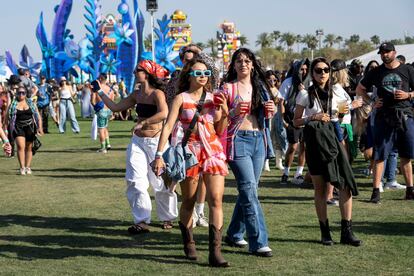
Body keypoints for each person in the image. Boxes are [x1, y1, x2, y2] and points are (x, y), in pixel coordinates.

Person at [153, 58, 229, 267]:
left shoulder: (215, 98)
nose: (203, 76)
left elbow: (220, 129)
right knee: (189, 200)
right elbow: (168, 126)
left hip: (212, 151)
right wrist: (159, 155)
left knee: (216, 199)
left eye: (206, 73)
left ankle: (215, 251)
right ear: (189, 76)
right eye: (198, 73)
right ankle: (188, 241)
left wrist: (224, 110)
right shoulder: (180, 98)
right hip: (189, 153)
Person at [95, 60, 178, 232]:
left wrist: (144, 122)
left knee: (160, 182)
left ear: (146, 73)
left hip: (156, 142)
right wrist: (99, 92)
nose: (134, 72)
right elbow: (116, 107)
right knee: (135, 181)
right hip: (138, 142)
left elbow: (164, 113)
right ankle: (142, 221)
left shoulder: (157, 93)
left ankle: (167, 217)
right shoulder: (137, 93)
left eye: (137, 70)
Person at [293, 57, 362, 247]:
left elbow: (340, 117)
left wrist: (343, 112)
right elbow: (295, 121)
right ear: (312, 73)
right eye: (318, 70)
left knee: (345, 184)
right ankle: (325, 231)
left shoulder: (338, 91)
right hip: (315, 143)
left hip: (335, 140)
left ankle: (347, 231)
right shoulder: (306, 94)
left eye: (325, 70)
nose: (322, 73)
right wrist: (312, 117)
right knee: (321, 189)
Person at [220, 48, 275, 257]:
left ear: (253, 64)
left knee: (249, 190)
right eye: (239, 61)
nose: (243, 64)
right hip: (238, 140)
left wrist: (271, 111)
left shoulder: (261, 87)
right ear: (234, 65)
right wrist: (233, 112)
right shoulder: (227, 88)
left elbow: (273, 110)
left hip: (259, 140)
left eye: (247, 60)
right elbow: (219, 119)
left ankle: (234, 233)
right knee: (249, 189)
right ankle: (258, 241)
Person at [165, 43, 219, 228]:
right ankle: (188, 226)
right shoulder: (174, 82)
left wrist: (199, 54)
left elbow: (213, 69)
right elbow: (170, 113)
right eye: (187, 59)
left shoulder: (211, 90)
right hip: (186, 139)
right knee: (188, 193)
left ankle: (200, 212)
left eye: (195, 57)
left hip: (209, 147)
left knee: (212, 192)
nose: (191, 60)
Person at [356, 42, 414, 202]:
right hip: (383, 116)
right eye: (382, 53)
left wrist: (408, 95)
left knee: (406, 155)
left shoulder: (407, 69)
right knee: (380, 154)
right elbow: (359, 89)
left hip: (405, 115)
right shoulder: (376, 72)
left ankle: (410, 190)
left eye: (387, 52)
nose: (385, 55)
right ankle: (376, 191)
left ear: (394, 53)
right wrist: (372, 101)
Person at [280, 59, 310, 185]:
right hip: (292, 119)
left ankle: (298, 174)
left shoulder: (310, 82)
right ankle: (286, 172)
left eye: (305, 69)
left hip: (307, 119)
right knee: (293, 147)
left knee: (303, 148)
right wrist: (282, 119)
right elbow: (281, 101)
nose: (304, 72)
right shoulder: (288, 82)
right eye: (301, 69)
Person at [5, 84, 43, 175]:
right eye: (19, 93)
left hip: (30, 126)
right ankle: (22, 167)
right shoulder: (13, 104)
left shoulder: (31, 103)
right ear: (16, 94)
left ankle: (28, 167)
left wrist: (40, 127)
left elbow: (38, 116)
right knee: (21, 146)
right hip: (18, 127)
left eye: (23, 93)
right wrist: (6, 130)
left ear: (26, 94)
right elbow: (7, 118)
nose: (21, 94)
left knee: (29, 147)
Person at [91, 74, 114, 153]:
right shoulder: (110, 89)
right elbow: (112, 101)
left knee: (100, 129)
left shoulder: (97, 88)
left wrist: (95, 107)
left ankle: (103, 148)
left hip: (101, 110)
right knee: (105, 128)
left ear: (100, 79)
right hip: (108, 110)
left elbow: (92, 100)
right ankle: (108, 144)